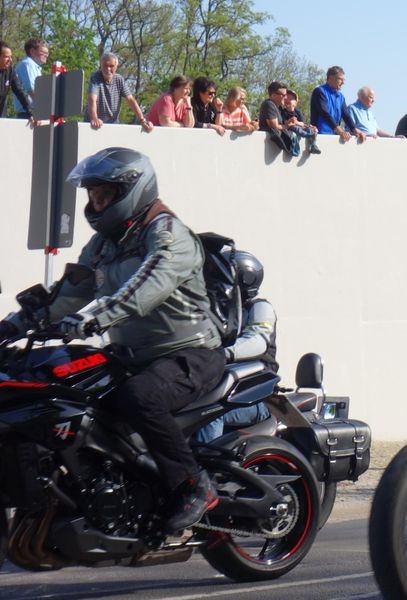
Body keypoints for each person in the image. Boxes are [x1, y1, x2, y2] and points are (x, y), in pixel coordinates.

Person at [0, 148, 225, 532]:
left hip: (189, 354)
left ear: (131, 192)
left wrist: (91, 319)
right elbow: (68, 293)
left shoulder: (170, 235)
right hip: (131, 356)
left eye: (104, 195)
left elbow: (143, 289)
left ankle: (193, 484)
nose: (95, 202)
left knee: (141, 396)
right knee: (65, 393)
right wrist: (13, 326)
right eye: (92, 195)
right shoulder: (105, 242)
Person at [195, 251, 277, 443]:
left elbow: (257, 341)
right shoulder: (222, 313)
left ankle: (206, 469)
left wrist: (220, 353)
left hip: (254, 397)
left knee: (209, 414)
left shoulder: (259, 309)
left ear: (245, 280)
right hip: (223, 391)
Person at [85, 53, 153, 131]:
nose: (108, 69)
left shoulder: (119, 79)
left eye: (111, 66)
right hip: (94, 126)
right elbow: (92, 99)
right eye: (105, 65)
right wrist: (94, 119)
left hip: (113, 125)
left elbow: (130, 100)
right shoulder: (95, 77)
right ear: (101, 65)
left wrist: (142, 120)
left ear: (116, 67)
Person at [309, 65, 361, 142]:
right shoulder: (320, 91)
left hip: (334, 136)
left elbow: (346, 115)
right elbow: (324, 113)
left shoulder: (340, 96)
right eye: (340, 79)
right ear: (331, 78)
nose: (343, 83)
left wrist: (354, 129)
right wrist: (339, 130)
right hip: (320, 135)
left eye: (344, 80)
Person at [259, 81, 300, 156]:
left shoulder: (279, 107)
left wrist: (288, 123)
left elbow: (280, 124)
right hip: (268, 148)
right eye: (284, 95)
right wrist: (287, 126)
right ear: (274, 95)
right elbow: (274, 126)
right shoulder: (269, 105)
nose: (286, 97)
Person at [13, 38, 48, 119]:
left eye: (47, 53)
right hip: (28, 114)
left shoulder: (35, 66)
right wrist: (46, 107)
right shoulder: (28, 64)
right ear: (32, 51)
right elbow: (31, 89)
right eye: (43, 52)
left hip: (32, 112)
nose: (46, 55)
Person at [0, 41, 33, 120]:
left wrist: (30, 113)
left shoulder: (10, 71)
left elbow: (20, 91)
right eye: (6, 57)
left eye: (11, 57)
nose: (10, 60)